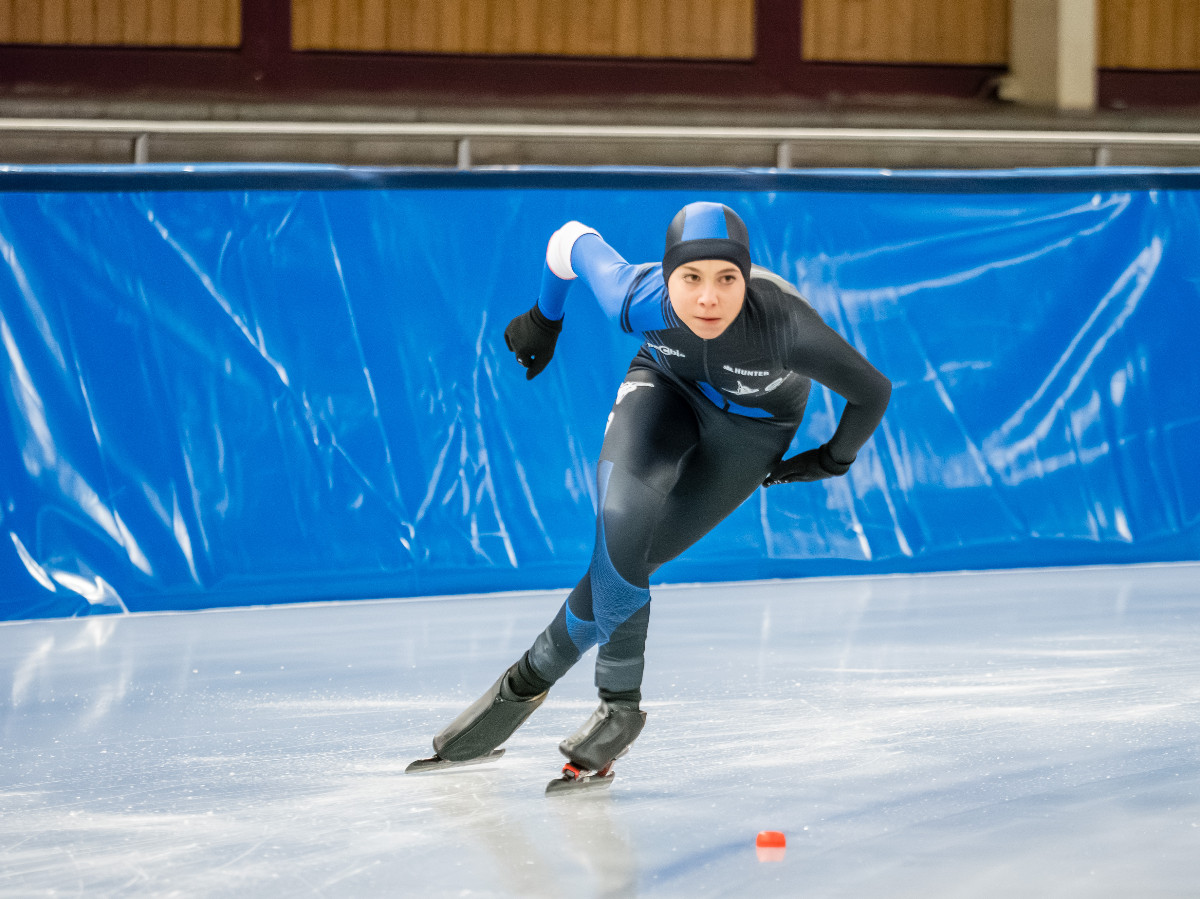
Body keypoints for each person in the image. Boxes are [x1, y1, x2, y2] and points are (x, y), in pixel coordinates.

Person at [423, 201, 891, 779]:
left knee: (628, 563)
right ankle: (619, 707)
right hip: (665, 387)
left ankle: (522, 687)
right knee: (620, 524)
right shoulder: (633, 294)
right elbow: (569, 238)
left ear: (747, 278)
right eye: (690, 278)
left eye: (727, 279)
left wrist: (833, 459)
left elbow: (872, 391)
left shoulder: (786, 327)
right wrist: (545, 317)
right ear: (666, 277)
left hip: (754, 431)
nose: (708, 299)